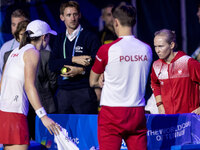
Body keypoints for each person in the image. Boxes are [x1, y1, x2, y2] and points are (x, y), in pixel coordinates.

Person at [90, 4, 152, 150]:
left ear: (115, 22)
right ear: (134, 22)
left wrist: (101, 78)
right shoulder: (147, 49)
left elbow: (92, 81)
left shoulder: (107, 49)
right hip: (137, 111)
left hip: (112, 112)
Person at [0, 20, 59, 150]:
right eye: (49, 36)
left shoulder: (15, 52)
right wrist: (43, 116)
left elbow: (2, 83)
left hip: (5, 111)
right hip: (15, 113)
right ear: (44, 37)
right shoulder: (32, 52)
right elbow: (29, 86)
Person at [49, 1, 101, 114]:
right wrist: (73, 59)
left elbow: (98, 65)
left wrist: (80, 71)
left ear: (80, 15)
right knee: (65, 130)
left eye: (75, 14)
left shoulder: (90, 37)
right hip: (63, 92)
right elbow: (52, 65)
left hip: (84, 91)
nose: (72, 18)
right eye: (68, 15)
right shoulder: (59, 39)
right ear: (62, 17)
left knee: (86, 130)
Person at [151, 29, 200, 114]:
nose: (157, 50)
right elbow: (155, 84)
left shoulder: (188, 62)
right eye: (155, 46)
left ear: (172, 45)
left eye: (161, 46)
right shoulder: (156, 65)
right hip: (169, 119)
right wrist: (160, 105)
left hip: (189, 118)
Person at [0, 9, 29, 80]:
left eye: (19, 24)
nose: (16, 28)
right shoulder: (5, 47)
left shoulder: (38, 43)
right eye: (13, 24)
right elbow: (1, 73)